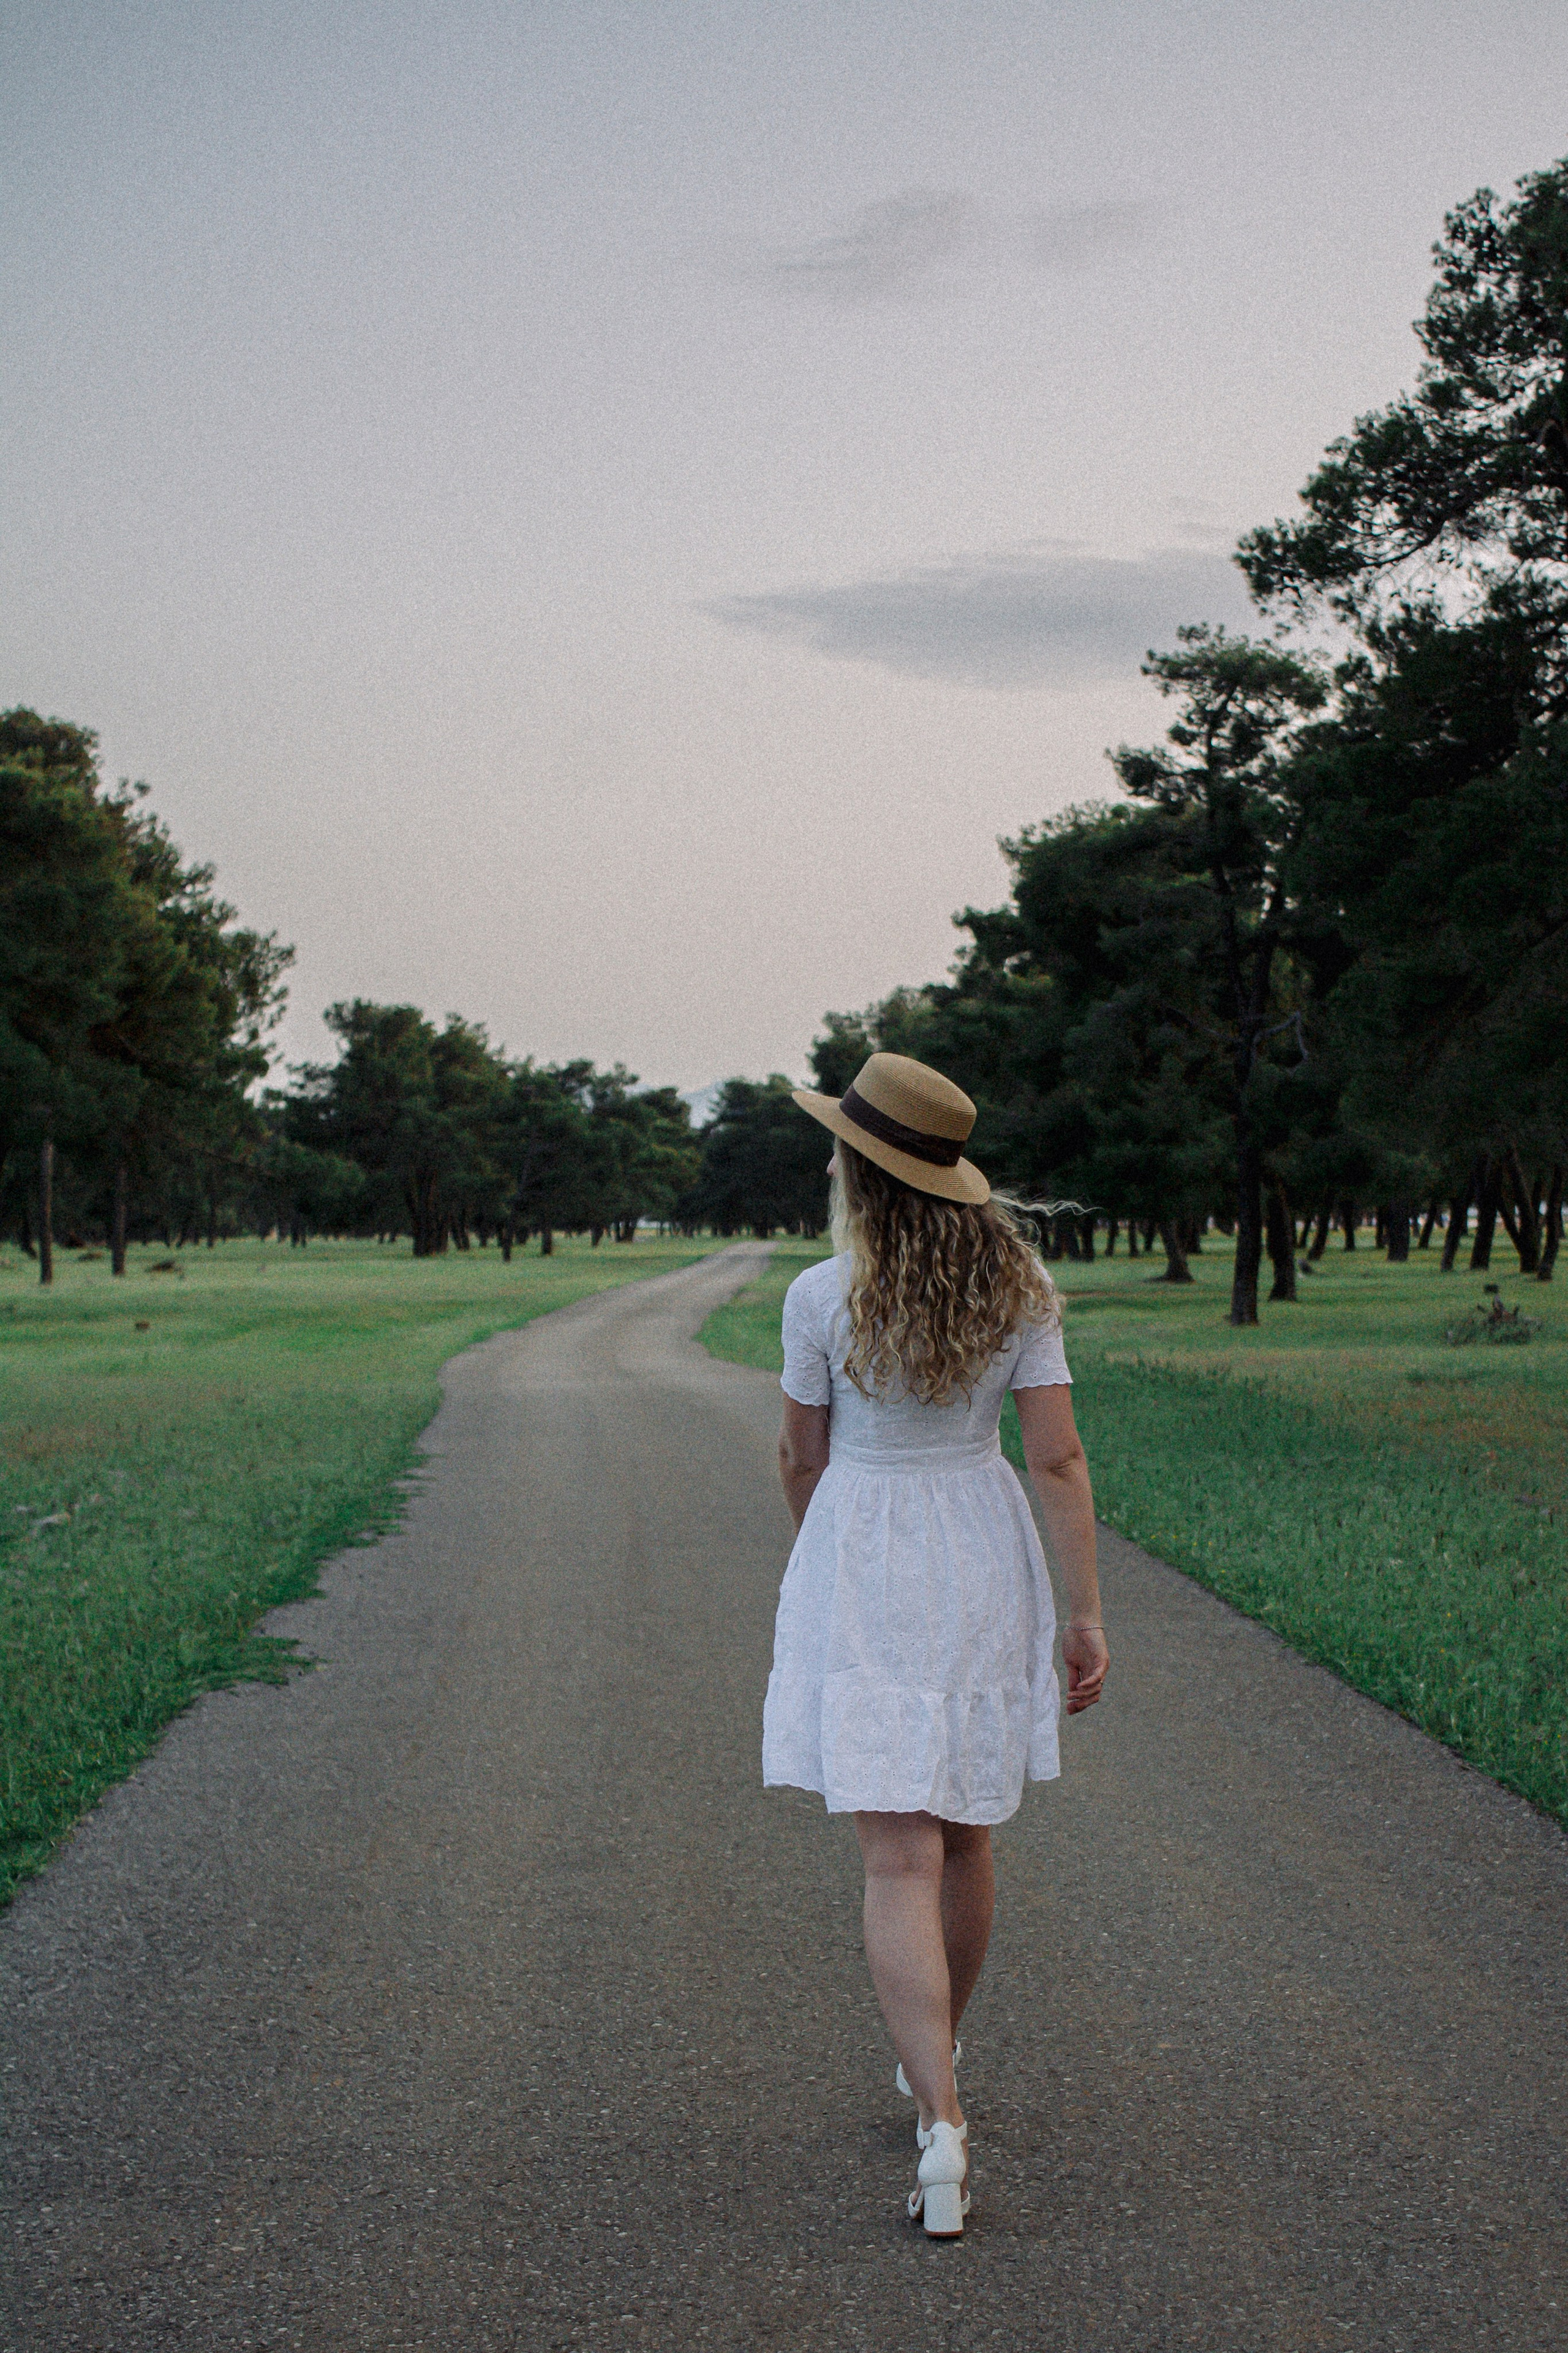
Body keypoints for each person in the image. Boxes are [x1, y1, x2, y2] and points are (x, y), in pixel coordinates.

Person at [763, 1052, 1108, 2238]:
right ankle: (934, 2079)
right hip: (977, 1542)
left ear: (860, 1167)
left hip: (865, 1540)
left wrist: (830, 1555)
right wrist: (1084, 1612)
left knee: (893, 1856)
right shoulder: (1020, 1285)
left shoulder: (822, 1294)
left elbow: (801, 1457)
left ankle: (941, 2117)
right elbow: (1057, 1459)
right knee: (963, 1832)